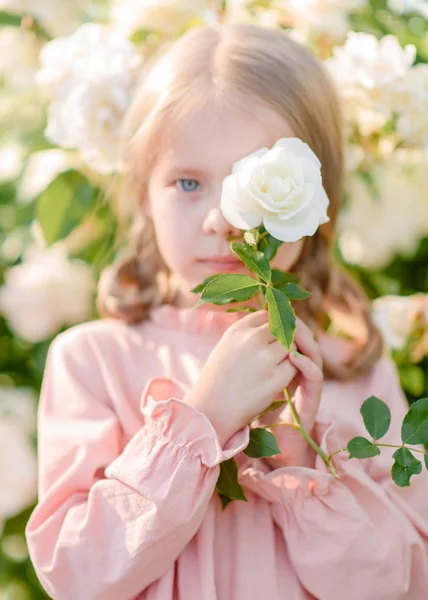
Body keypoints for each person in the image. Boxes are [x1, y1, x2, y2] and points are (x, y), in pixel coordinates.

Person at [26, 23, 428, 600]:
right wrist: (202, 421)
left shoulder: (351, 368)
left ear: (316, 200)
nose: (221, 219)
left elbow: (403, 585)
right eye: (188, 182)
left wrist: (299, 458)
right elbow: (78, 575)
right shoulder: (93, 361)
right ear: (144, 193)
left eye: (254, 183)